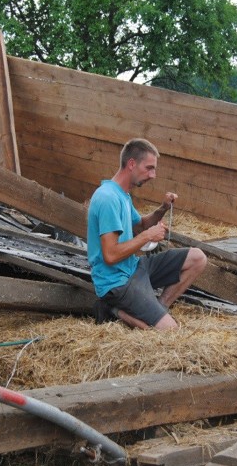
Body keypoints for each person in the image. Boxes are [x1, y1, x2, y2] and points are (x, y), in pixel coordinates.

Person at [87, 138, 207, 330]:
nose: (153, 175)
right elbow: (110, 255)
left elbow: (141, 225)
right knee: (171, 331)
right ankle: (114, 310)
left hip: (133, 267)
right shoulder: (108, 198)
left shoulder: (122, 194)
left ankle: (159, 309)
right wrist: (148, 236)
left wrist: (163, 209)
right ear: (132, 164)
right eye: (149, 168)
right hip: (116, 282)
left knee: (198, 258)